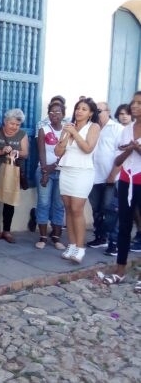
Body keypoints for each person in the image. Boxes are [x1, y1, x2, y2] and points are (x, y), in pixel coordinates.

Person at [101, 91, 141, 294]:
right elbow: (118, 160)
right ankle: (120, 269)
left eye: (139, 103)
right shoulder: (126, 130)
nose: (134, 106)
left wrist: (136, 148)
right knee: (124, 225)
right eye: (133, 102)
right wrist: (130, 149)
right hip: (126, 180)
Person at [55, 97, 101, 264]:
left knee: (77, 208)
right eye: (78, 108)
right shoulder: (68, 126)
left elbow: (88, 148)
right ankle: (72, 245)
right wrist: (66, 136)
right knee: (67, 207)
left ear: (90, 113)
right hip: (67, 169)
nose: (79, 111)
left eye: (84, 109)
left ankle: (81, 248)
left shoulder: (93, 127)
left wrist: (75, 134)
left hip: (83, 171)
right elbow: (58, 151)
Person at [0, 109, 29, 244]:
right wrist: (0, 151)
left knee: (9, 202)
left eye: (17, 125)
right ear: (5, 122)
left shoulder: (22, 135)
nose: (14, 127)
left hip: (11, 174)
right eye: (12, 123)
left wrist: (17, 153)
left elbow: (25, 153)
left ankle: (7, 231)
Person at [85, 102, 122, 249]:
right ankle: (99, 237)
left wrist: (113, 175)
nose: (96, 113)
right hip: (92, 176)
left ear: (108, 111)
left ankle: (112, 240)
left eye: (99, 110)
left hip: (109, 177)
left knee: (110, 209)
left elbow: (121, 153)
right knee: (96, 209)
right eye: (95, 110)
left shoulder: (117, 129)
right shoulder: (91, 127)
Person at [34, 100, 66, 250]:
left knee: (59, 205)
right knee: (44, 203)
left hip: (63, 172)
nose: (54, 115)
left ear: (63, 114)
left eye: (58, 112)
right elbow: (41, 152)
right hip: (44, 170)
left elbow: (68, 152)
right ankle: (43, 237)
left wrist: (54, 167)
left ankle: (57, 238)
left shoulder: (68, 131)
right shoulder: (44, 129)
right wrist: (45, 172)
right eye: (52, 112)